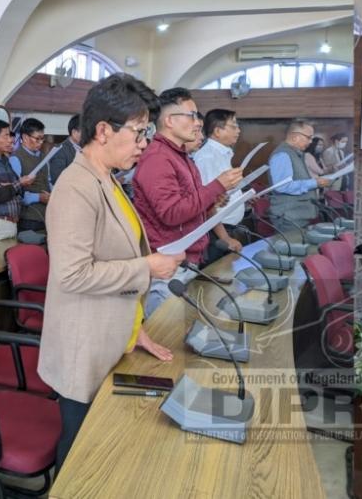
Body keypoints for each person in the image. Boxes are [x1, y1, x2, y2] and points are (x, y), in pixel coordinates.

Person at [38, 73, 183, 472]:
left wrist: (133, 326)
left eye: (146, 132)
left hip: (110, 333)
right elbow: (72, 274)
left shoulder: (109, 179)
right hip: (83, 345)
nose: (144, 144)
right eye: (138, 132)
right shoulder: (75, 187)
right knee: (80, 456)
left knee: (102, 450)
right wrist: (147, 268)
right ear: (103, 130)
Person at [132, 87, 243, 317]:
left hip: (184, 261)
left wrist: (212, 201)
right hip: (166, 266)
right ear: (170, 121)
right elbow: (171, 213)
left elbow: (189, 204)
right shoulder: (158, 158)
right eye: (191, 116)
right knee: (167, 339)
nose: (197, 123)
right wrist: (216, 186)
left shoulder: (180, 155)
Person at [193, 108, 246, 264]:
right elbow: (207, 203)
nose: (238, 130)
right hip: (218, 232)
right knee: (215, 277)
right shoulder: (207, 157)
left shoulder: (223, 153)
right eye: (234, 126)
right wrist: (225, 237)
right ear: (217, 131)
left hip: (228, 229)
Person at [267, 119, 331, 232]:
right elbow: (282, 186)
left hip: (296, 215)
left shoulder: (295, 153)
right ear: (295, 137)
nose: (311, 141)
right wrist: (314, 182)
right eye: (309, 137)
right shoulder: (282, 155)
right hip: (288, 217)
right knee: (291, 248)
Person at [10, 118, 51, 232]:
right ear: (25, 137)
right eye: (37, 139)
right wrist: (38, 197)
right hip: (29, 218)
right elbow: (15, 193)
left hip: (47, 215)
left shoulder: (43, 156)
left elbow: (48, 181)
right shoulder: (16, 158)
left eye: (43, 138)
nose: (41, 142)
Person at [48, 114, 80, 185]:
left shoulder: (86, 148)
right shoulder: (59, 150)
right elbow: (57, 179)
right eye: (86, 132)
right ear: (74, 133)